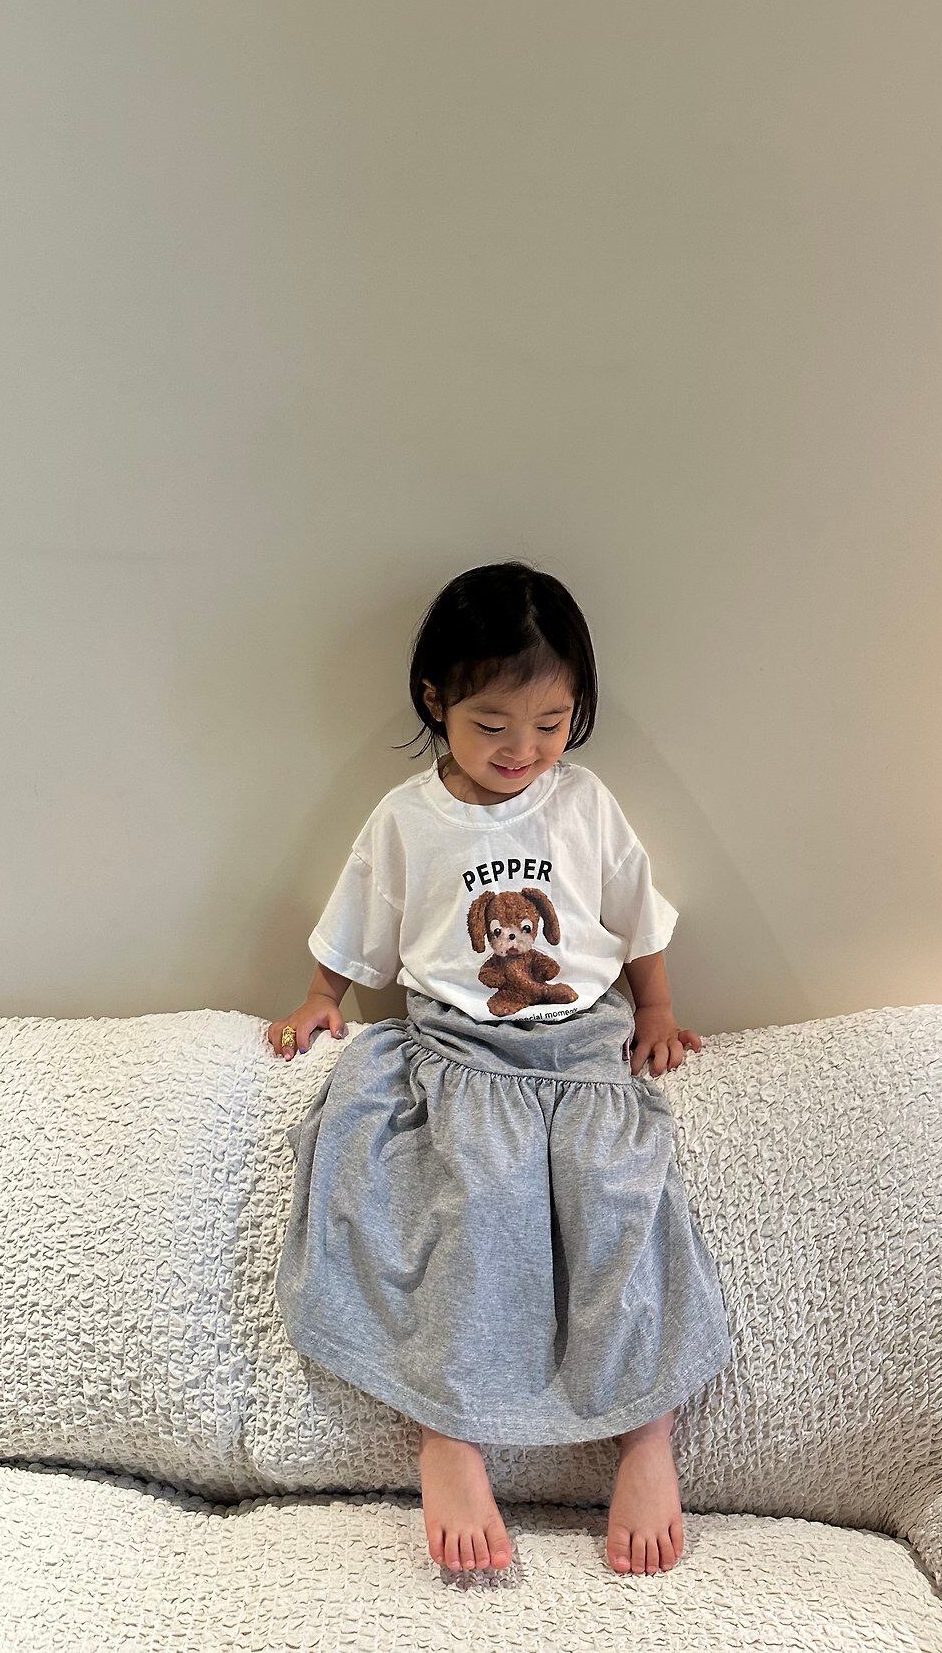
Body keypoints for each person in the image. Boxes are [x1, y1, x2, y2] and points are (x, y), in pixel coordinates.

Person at [270, 559, 732, 1580]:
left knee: (621, 1201)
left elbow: (634, 914)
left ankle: (646, 1435)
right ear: (435, 700)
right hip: (462, 1051)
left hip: (582, 1047)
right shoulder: (406, 819)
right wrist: (321, 997)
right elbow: (357, 923)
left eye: (551, 723)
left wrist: (655, 1011)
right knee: (473, 1204)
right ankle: (449, 1431)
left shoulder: (585, 803)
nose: (522, 749)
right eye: (491, 725)